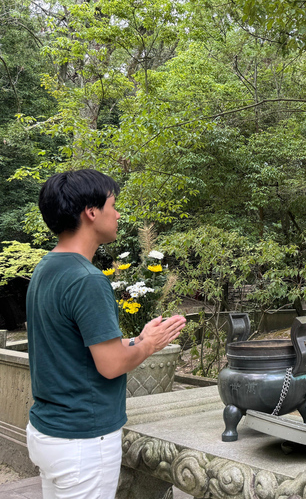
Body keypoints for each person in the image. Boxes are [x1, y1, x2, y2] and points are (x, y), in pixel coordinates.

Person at [25, 169, 186, 499]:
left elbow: (72, 350)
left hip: (49, 432)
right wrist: (150, 346)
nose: (118, 213)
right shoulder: (88, 279)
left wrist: (138, 340)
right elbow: (110, 365)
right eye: (113, 204)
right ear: (91, 212)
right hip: (83, 440)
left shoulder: (46, 268)